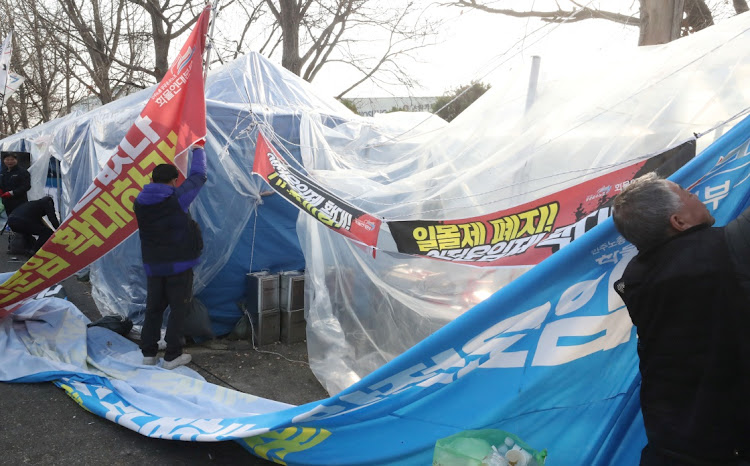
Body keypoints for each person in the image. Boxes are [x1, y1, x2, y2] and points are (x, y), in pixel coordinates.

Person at [612, 172, 750, 465]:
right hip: (727, 446)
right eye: (688, 194)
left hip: (669, 443)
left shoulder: (634, 279)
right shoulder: (728, 246)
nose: (697, 196)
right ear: (678, 222)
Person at [133, 143, 206, 370]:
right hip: (179, 265)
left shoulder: (139, 202)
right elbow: (199, 176)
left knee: (153, 308)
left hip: (153, 265)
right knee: (178, 309)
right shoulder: (177, 199)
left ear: (152, 179)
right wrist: (199, 149)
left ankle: (148, 353)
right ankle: (172, 356)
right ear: (174, 180)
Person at [0, 152, 31, 216]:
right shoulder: (2, 172)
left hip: (19, 202)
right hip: (6, 202)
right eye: (7, 160)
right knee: (10, 219)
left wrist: (12, 193)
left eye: (12, 159)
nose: (9, 162)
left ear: (16, 160)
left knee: (20, 219)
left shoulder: (23, 172)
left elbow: (27, 186)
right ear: (4, 160)